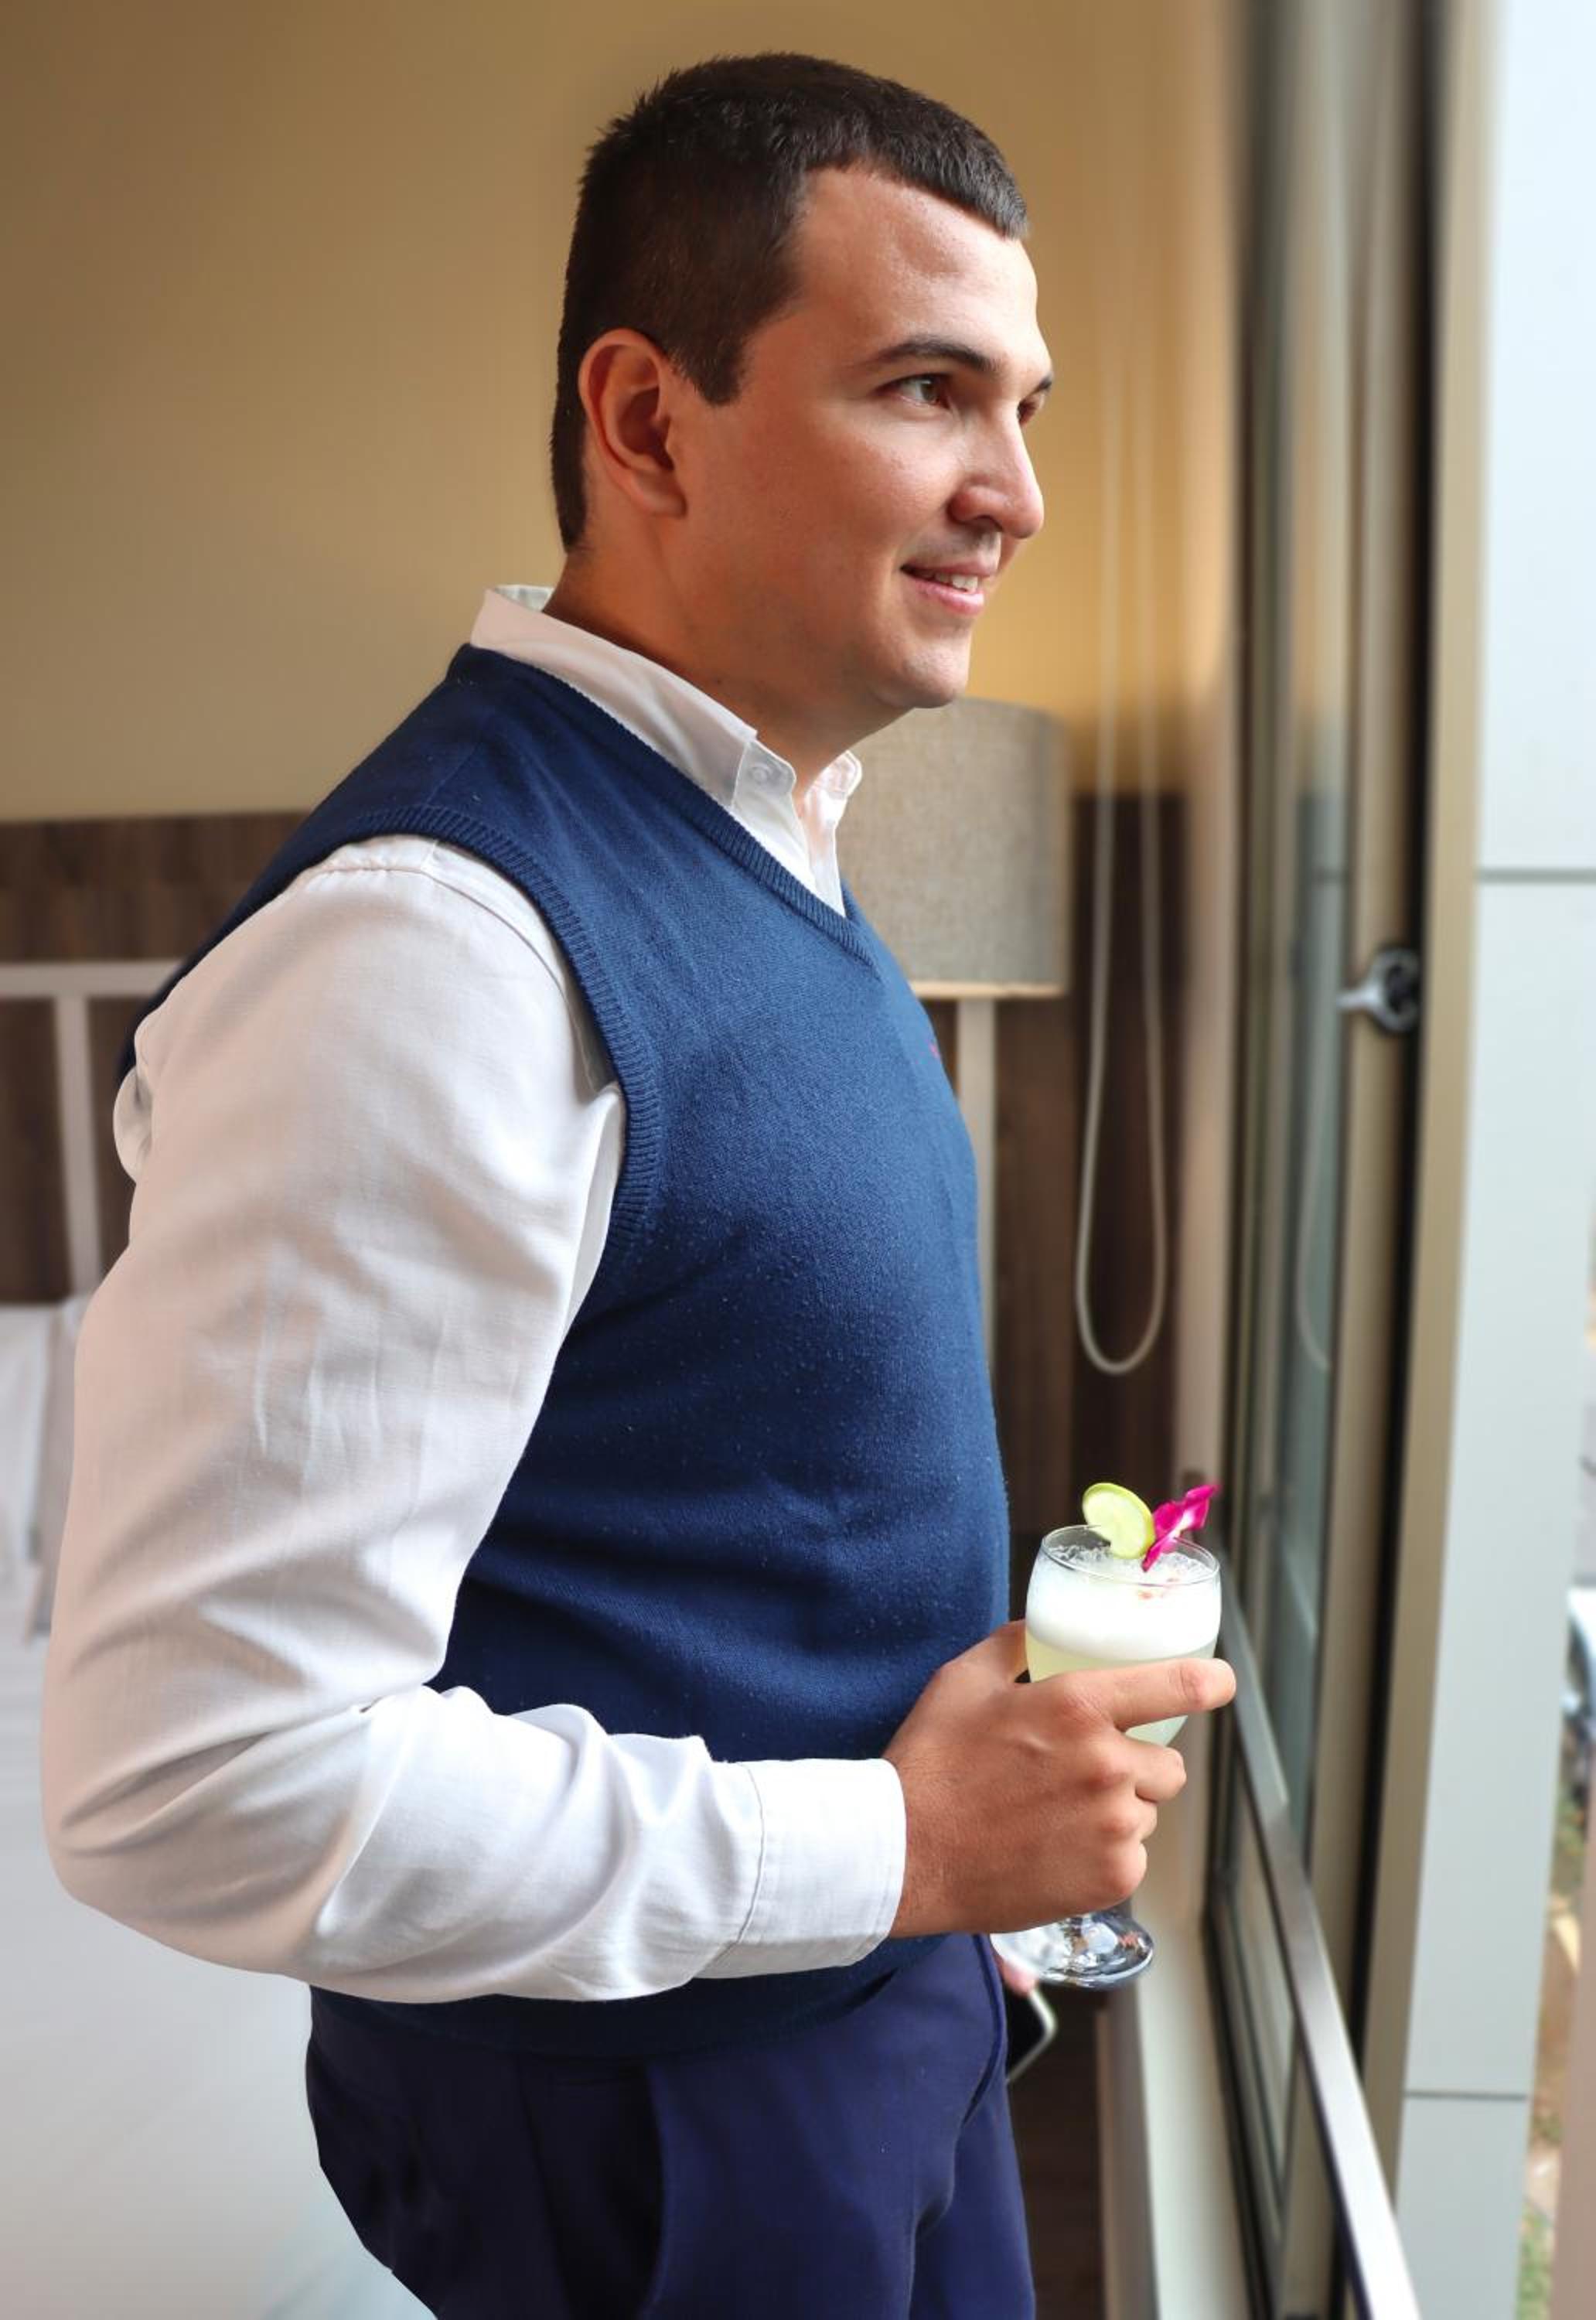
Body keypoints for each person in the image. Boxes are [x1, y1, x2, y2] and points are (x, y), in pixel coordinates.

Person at [40, 51, 1234, 2320]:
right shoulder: (436, 953)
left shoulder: (774, 843)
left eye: (1027, 407)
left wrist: (948, 1895)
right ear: (650, 419)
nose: (1017, 492)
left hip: (879, 2014)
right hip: (676, 2141)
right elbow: (195, 1781)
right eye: (927, 389)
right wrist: (902, 1840)